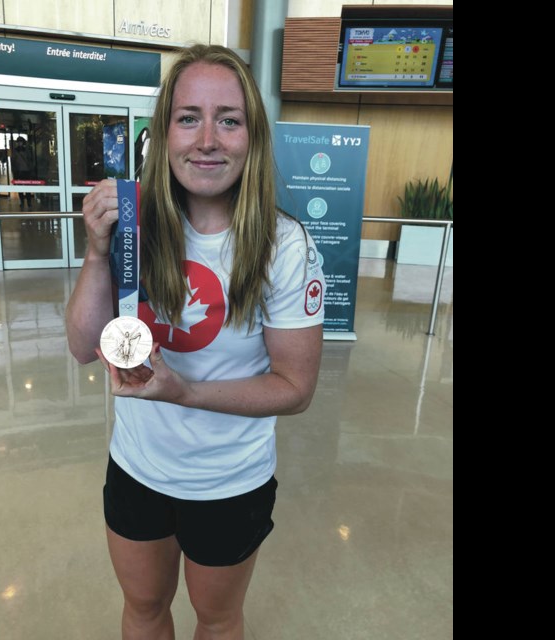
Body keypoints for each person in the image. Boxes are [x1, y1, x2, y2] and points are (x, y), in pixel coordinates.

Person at [65, 44, 325, 640]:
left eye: (228, 120)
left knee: (218, 618)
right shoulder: (135, 225)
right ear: (164, 132)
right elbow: (84, 346)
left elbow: (296, 387)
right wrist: (98, 250)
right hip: (138, 465)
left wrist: (184, 391)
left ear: (251, 137)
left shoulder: (286, 246)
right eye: (189, 118)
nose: (208, 139)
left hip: (230, 479)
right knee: (145, 610)